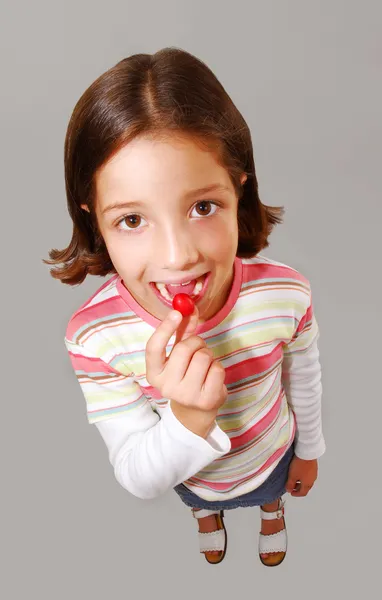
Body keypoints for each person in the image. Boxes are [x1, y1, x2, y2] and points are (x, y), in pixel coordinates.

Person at [44, 47, 325, 567]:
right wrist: (189, 418)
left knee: (269, 490)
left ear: (239, 189)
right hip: (195, 477)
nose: (178, 258)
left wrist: (309, 450)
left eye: (202, 207)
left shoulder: (286, 293)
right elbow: (140, 476)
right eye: (132, 220)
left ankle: (271, 512)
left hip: (273, 454)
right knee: (200, 497)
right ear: (92, 215)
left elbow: (302, 376)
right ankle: (206, 515)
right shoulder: (96, 336)